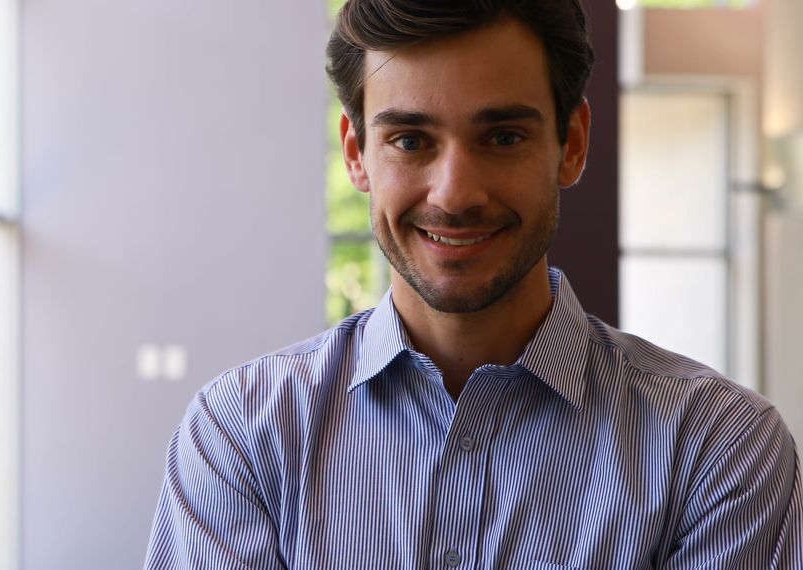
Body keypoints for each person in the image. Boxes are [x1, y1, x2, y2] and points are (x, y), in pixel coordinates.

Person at [145, 0, 802, 567]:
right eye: (410, 140)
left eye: (503, 135)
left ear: (571, 144)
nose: (454, 194)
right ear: (356, 153)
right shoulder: (241, 436)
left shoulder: (717, 448)